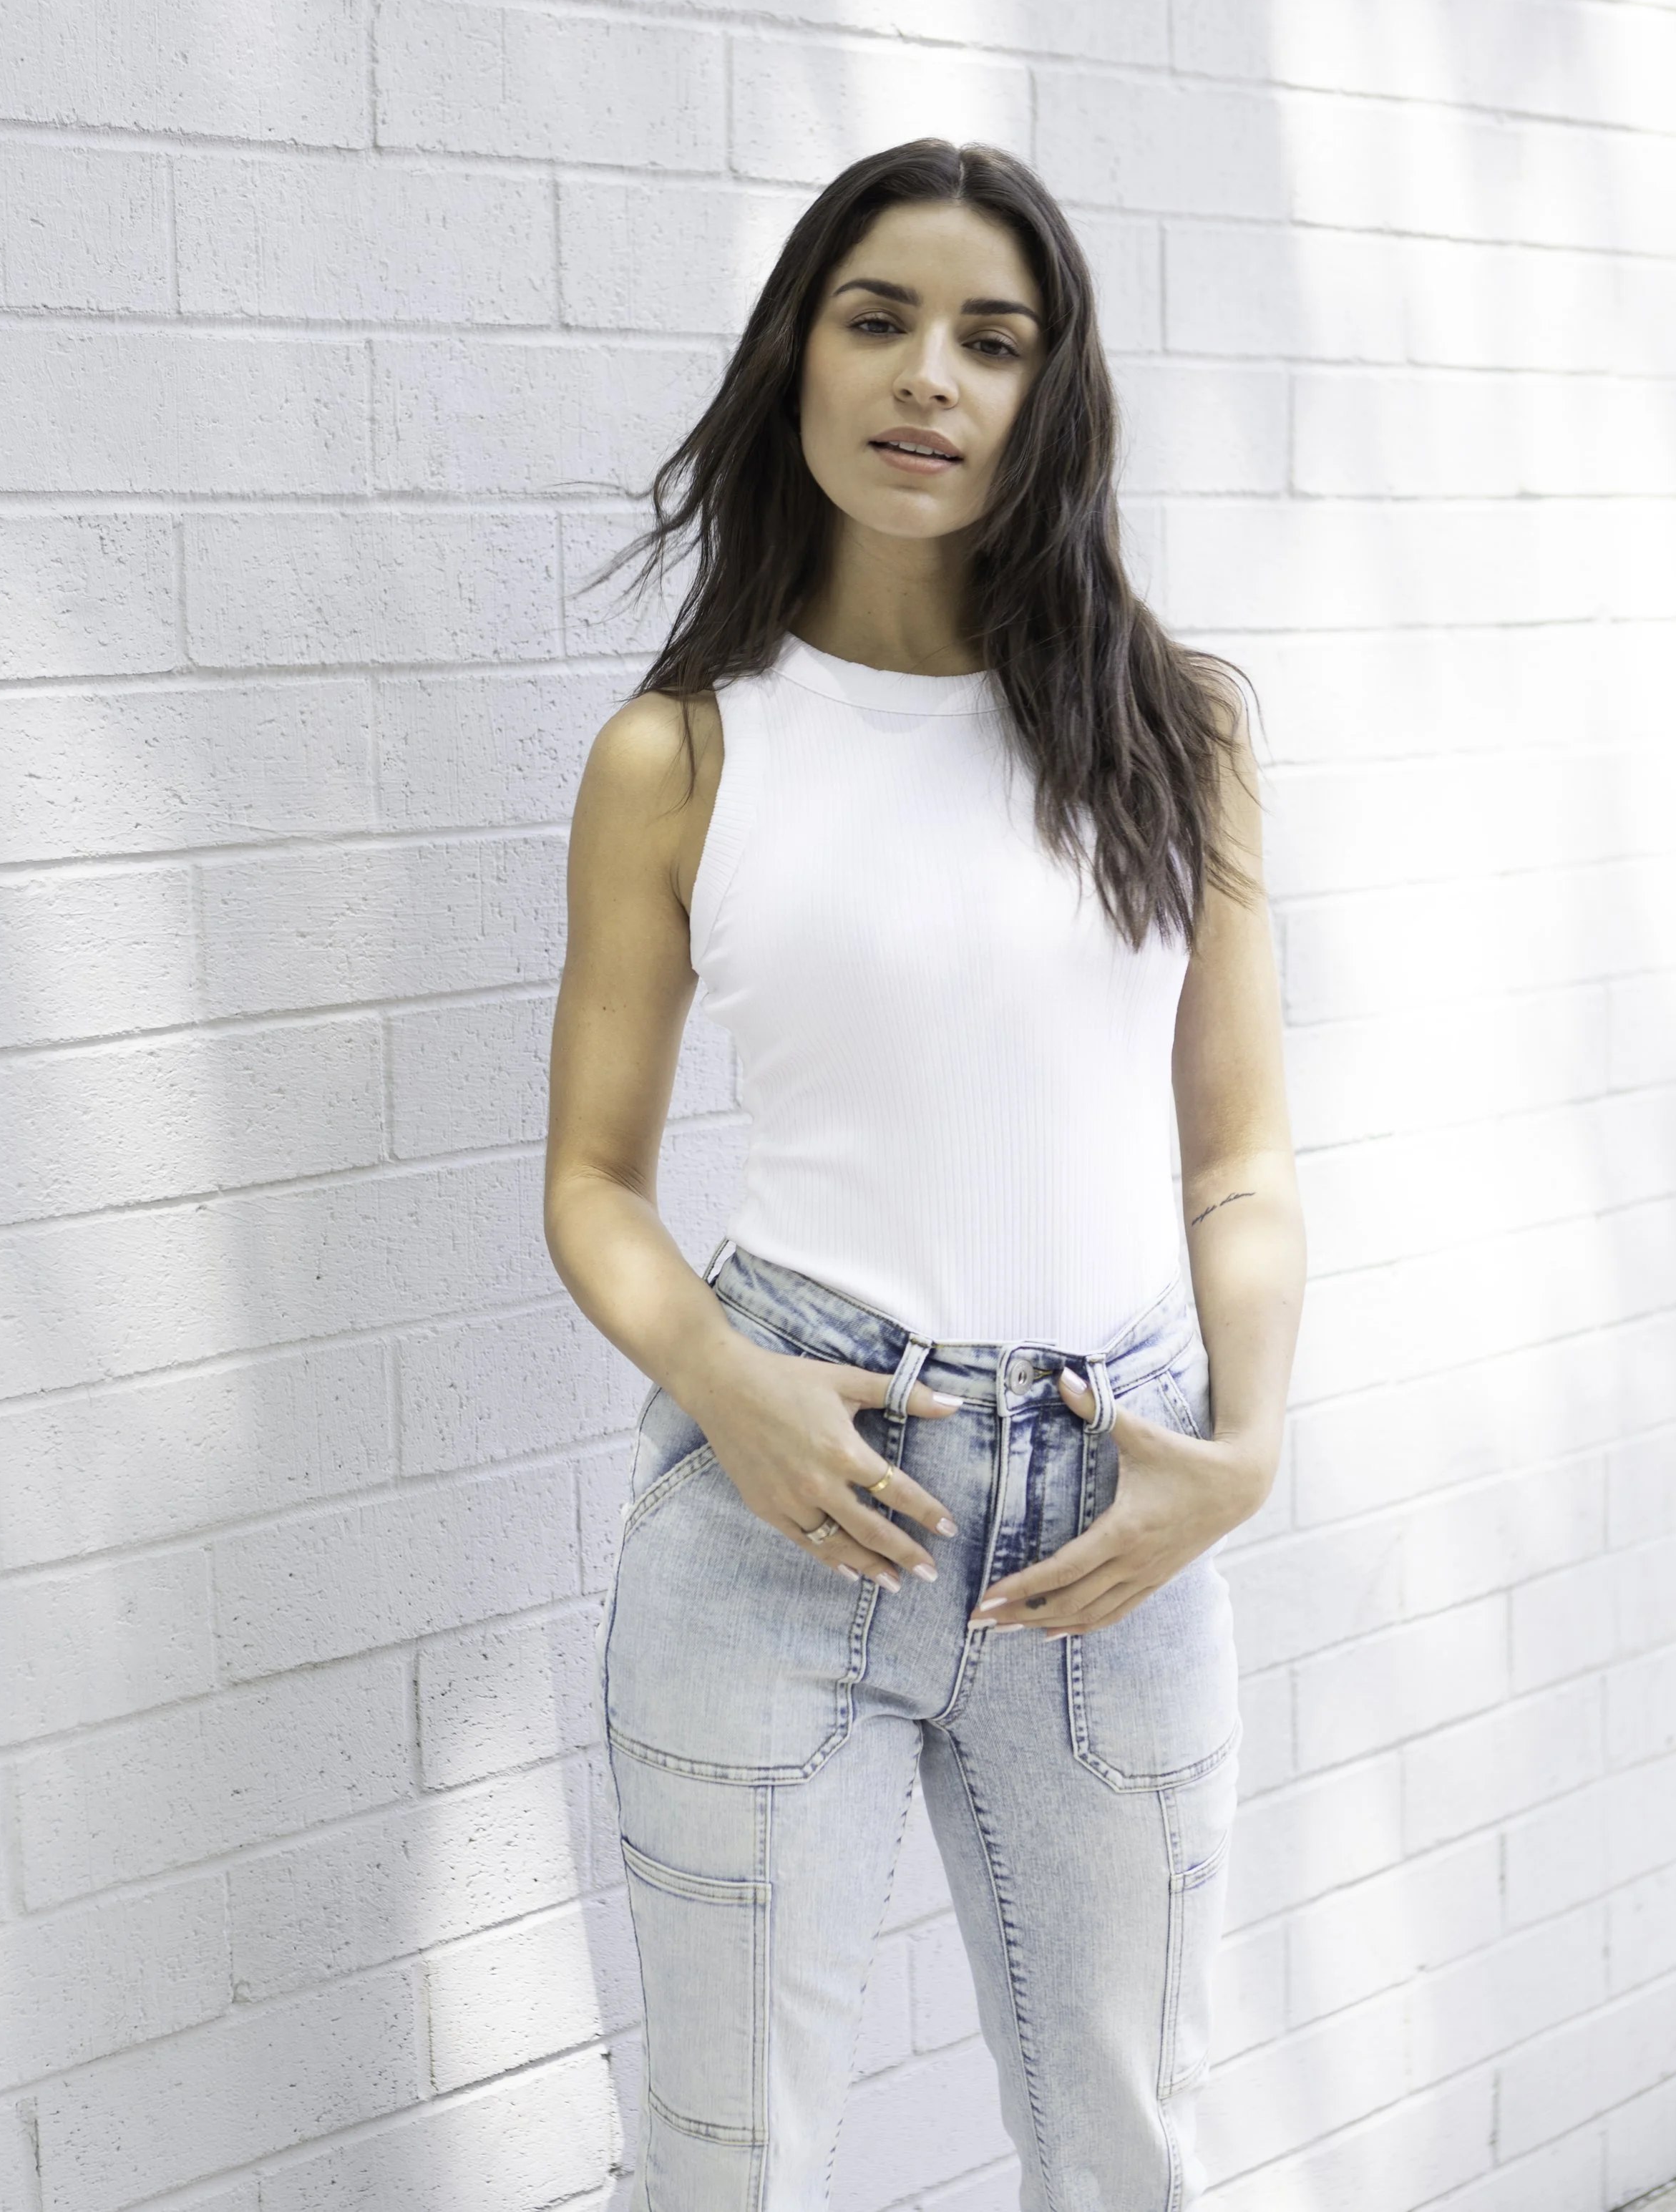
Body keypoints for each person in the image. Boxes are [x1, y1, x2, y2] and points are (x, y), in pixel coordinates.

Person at [544, 138, 1305, 2212]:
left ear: (1049, 393)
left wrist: (1241, 1449)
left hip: (1116, 1503)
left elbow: (1234, 1146)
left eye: (993, 338)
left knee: (1126, 2145)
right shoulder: (683, 751)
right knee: (731, 2165)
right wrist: (722, 1379)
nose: (930, 379)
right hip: (786, 1490)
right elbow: (593, 1181)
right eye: (878, 318)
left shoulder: (1173, 727)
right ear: (798, 350)